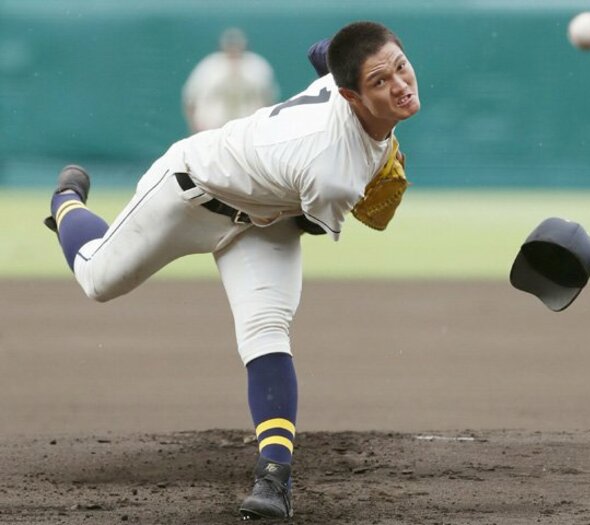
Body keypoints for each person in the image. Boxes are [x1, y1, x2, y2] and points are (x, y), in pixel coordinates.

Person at [44, 20, 420, 520]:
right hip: (191, 194)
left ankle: (274, 478)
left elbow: (320, 51)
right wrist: (385, 152)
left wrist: (349, 64)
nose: (399, 83)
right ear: (350, 95)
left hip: (268, 216)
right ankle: (67, 201)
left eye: (400, 65)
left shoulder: (344, 78)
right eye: (379, 81)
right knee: (96, 280)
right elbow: (312, 221)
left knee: (266, 329)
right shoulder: (334, 171)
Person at [182, 27, 279, 133]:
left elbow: (269, 100)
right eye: (230, 44)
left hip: (248, 132)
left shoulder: (257, 66)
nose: (234, 48)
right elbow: (190, 101)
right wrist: (194, 128)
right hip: (212, 131)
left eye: (236, 44)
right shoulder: (209, 66)